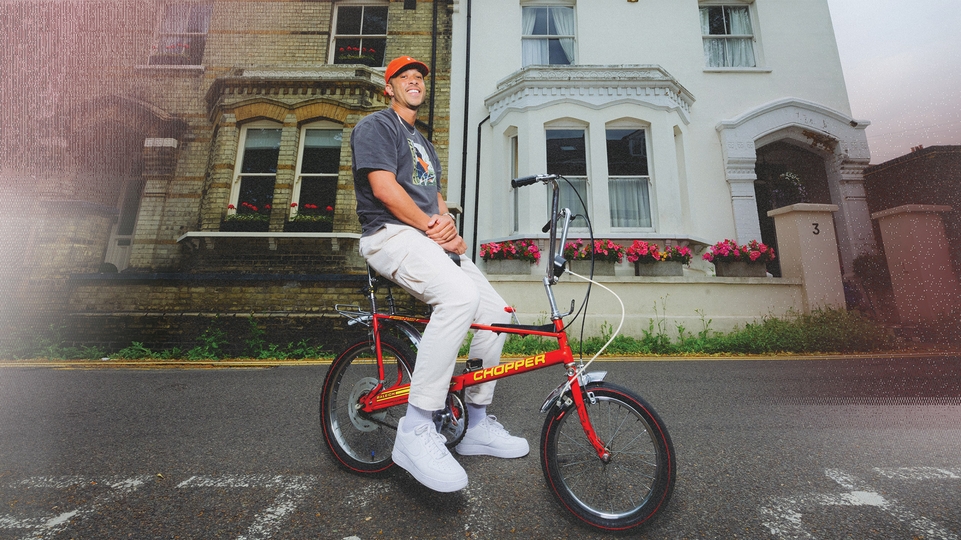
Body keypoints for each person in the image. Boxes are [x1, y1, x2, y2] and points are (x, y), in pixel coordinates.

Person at [350, 56, 529, 493]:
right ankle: (415, 429)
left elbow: (434, 195)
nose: (414, 83)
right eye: (404, 78)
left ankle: (477, 424)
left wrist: (449, 229)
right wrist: (431, 226)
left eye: (419, 79)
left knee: (497, 312)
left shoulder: (423, 143)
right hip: (389, 234)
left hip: (427, 238)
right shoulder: (376, 126)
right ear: (388, 88)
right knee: (458, 299)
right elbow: (385, 188)